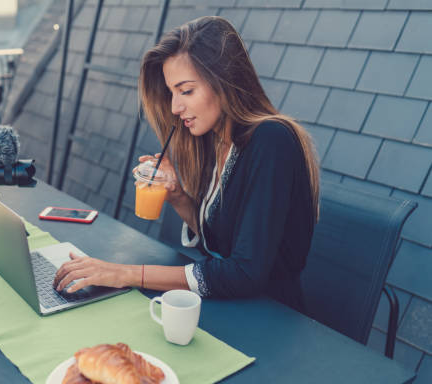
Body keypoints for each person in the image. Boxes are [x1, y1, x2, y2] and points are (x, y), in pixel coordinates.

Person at [53, 16, 319, 311]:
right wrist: (177, 195)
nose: (175, 107)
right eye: (172, 92)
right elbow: (219, 245)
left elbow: (245, 273)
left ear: (225, 81)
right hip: (229, 305)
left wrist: (125, 273)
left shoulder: (271, 140)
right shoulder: (218, 142)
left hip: (271, 317)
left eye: (186, 91)